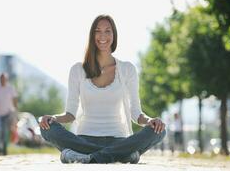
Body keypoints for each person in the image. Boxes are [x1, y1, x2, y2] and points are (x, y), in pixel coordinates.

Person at [39, 14, 166, 164]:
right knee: (46, 127)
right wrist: (53, 119)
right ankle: (121, 156)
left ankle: (86, 157)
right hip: (84, 139)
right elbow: (70, 114)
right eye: (98, 31)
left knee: (160, 130)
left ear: (114, 35)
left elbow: (136, 114)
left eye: (108, 31)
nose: (103, 36)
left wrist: (151, 120)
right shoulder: (77, 70)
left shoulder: (127, 69)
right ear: (92, 36)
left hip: (118, 140)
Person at [0, 73, 18, 155]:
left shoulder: (11, 89)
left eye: (4, 79)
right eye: (1, 79)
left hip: (8, 113)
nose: (2, 80)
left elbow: (15, 100)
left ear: (6, 79)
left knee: (5, 132)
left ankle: (4, 149)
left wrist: (15, 111)